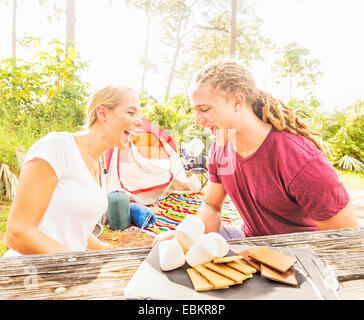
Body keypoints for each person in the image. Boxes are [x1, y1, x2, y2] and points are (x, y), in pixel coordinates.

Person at [153, 59, 359, 245]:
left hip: (301, 253)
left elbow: (348, 239)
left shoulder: (299, 159)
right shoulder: (219, 148)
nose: (197, 121)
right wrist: (184, 238)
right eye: (195, 111)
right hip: (252, 242)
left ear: (237, 102)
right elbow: (213, 207)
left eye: (205, 109)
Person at [3, 85, 142, 256]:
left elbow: (77, 228)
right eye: (131, 112)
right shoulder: (56, 147)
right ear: (103, 113)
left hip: (65, 275)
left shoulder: (100, 163)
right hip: (28, 275)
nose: (139, 121)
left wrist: (109, 253)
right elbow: (18, 233)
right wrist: (76, 263)